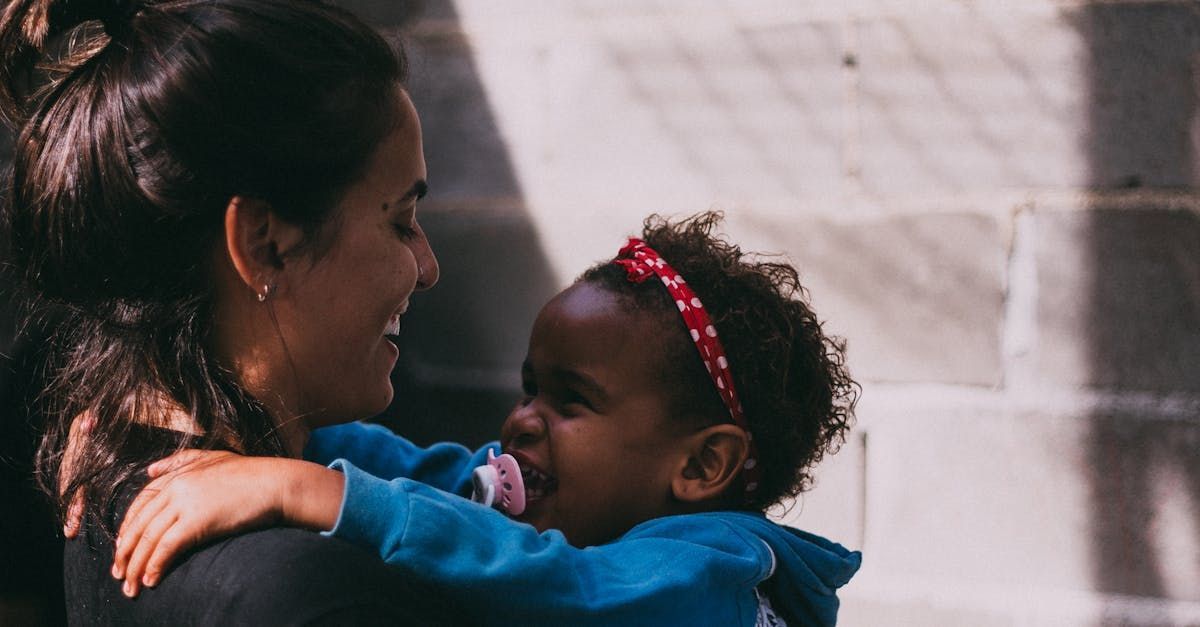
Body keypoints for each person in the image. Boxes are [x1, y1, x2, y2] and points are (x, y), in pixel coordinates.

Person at [110, 213, 863, 626]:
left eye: (572, 402)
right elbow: (440, 477)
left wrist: (310, 492)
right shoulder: (584, 504)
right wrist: (228, 421)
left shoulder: (710, 577)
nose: (523, 420)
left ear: (700, 466)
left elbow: (566, 584)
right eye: (530, 388)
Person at [0, 0, 455, 623]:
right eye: (401, 221)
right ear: (263, 245)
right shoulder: (311, 593)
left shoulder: (108, 475)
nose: (427, 268)